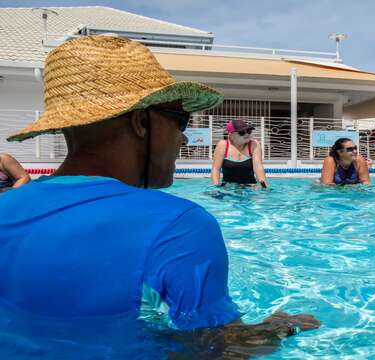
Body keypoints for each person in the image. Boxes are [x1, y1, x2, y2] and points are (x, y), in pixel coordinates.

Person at [0, 36, 318, 356]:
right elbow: (217, 350)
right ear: (140, 121)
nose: (183, 138)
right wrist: (278, 327)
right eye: (180, 121)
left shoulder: (5, 207)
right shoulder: (178, 225)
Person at [211, 119, 267, 187]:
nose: (246, 134)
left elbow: (258, 167)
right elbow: (216, 169)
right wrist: (216, 187)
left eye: (248, 131)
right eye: (242, 132)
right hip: (228, 187)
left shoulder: (254, 144)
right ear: (231, 135)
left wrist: (263, 185)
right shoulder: (223, 145)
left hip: (250, 187)